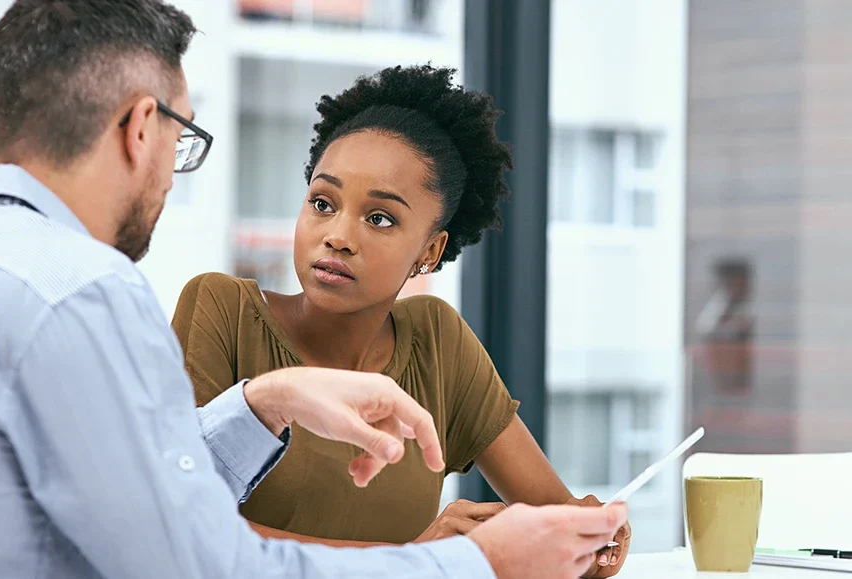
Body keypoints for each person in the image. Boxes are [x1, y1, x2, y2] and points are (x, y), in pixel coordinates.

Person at [0, 1, 628, 578]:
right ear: (143, 127)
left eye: (379, 217)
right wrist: (466, 562)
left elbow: (132, 498)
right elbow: (199, 561)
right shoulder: (78, 294)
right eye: (182, 136)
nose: (175, 174)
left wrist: (259, 402)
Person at [172, 65, 631, 578]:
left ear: (429, 251)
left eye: (380, 218)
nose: (338, 235)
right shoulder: (222, 312)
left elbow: (553, 515)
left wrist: (591, 539)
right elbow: (182, 534)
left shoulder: (437, 341)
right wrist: (422, 560)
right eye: (322, 203)